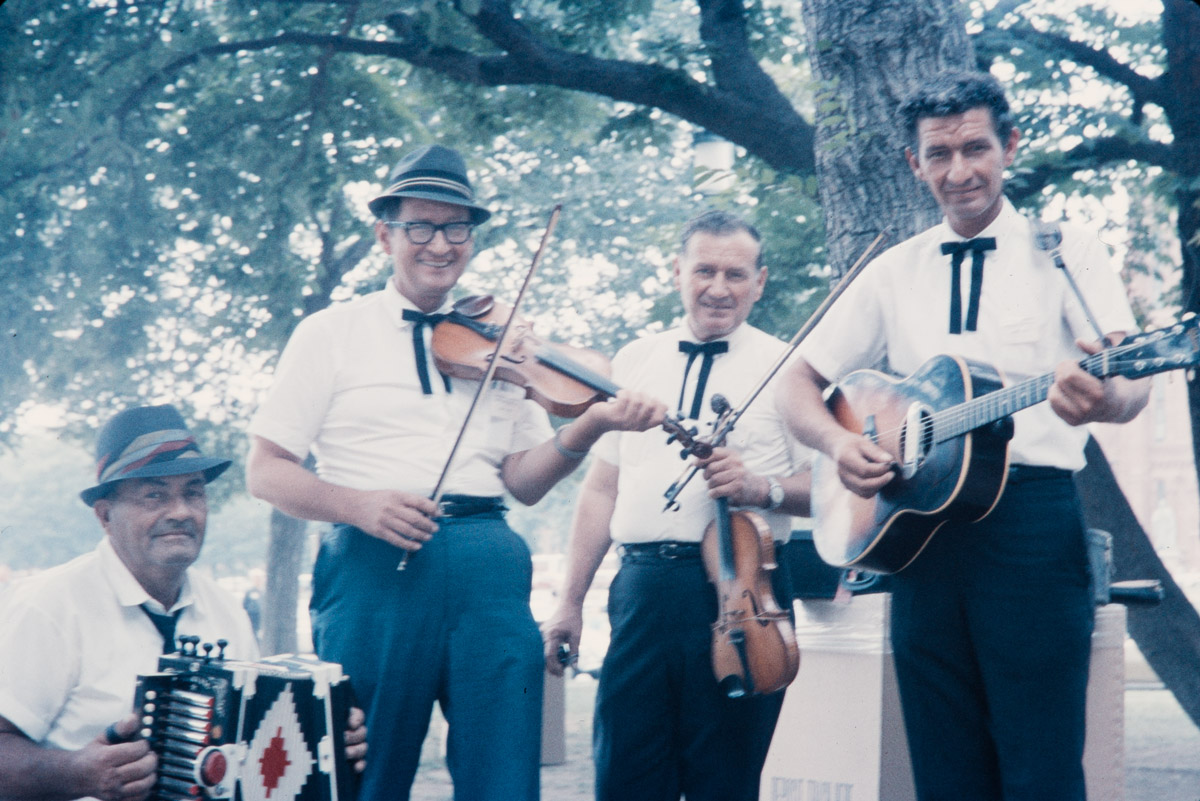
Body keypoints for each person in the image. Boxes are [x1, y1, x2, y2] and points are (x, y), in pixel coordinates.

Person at [245, 143, 665, 801]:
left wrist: (586, 429)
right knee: (363, 772)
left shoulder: (505, 341)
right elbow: (265, 471)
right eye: (421, 225)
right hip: (372, 565)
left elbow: (523, 480)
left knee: (505, 773)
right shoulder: (329, 334)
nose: (440, 244)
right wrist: (359, 505)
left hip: (489, 566)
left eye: (456, 227)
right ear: (385, 233)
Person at [776, 70, 1150, 801]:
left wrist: (1103, 398)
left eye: (976, 148)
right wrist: (836, 444)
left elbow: (1131, 381)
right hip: (919, 533)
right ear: (914, 164)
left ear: (1009, 146)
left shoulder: (1068, 250)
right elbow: (795, 381)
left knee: (1040, 762)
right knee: (943, 766)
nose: (960, 171)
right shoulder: (892, 270)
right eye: (938, 155)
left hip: (1031, 530)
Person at [541, 210, 812, 801]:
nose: (719, 287)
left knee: (724, 781)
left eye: (736, 274)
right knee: (625, 776)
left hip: (741, 591)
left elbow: (835, 485)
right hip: (640, 593)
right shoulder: (635, 358)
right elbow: (601, 491)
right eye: (704, 270)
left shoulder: (792, 367)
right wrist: (569, 601)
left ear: (760, 282)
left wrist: (761, 486)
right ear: (676, 273)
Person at [0, 404, 367, 801]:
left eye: (193, 493)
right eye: (154, 496)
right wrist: (74, 774)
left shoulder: (226, 611)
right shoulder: (50, 606)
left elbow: (251, 745)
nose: (180, 512)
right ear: (105, 516)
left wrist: (329, 737)